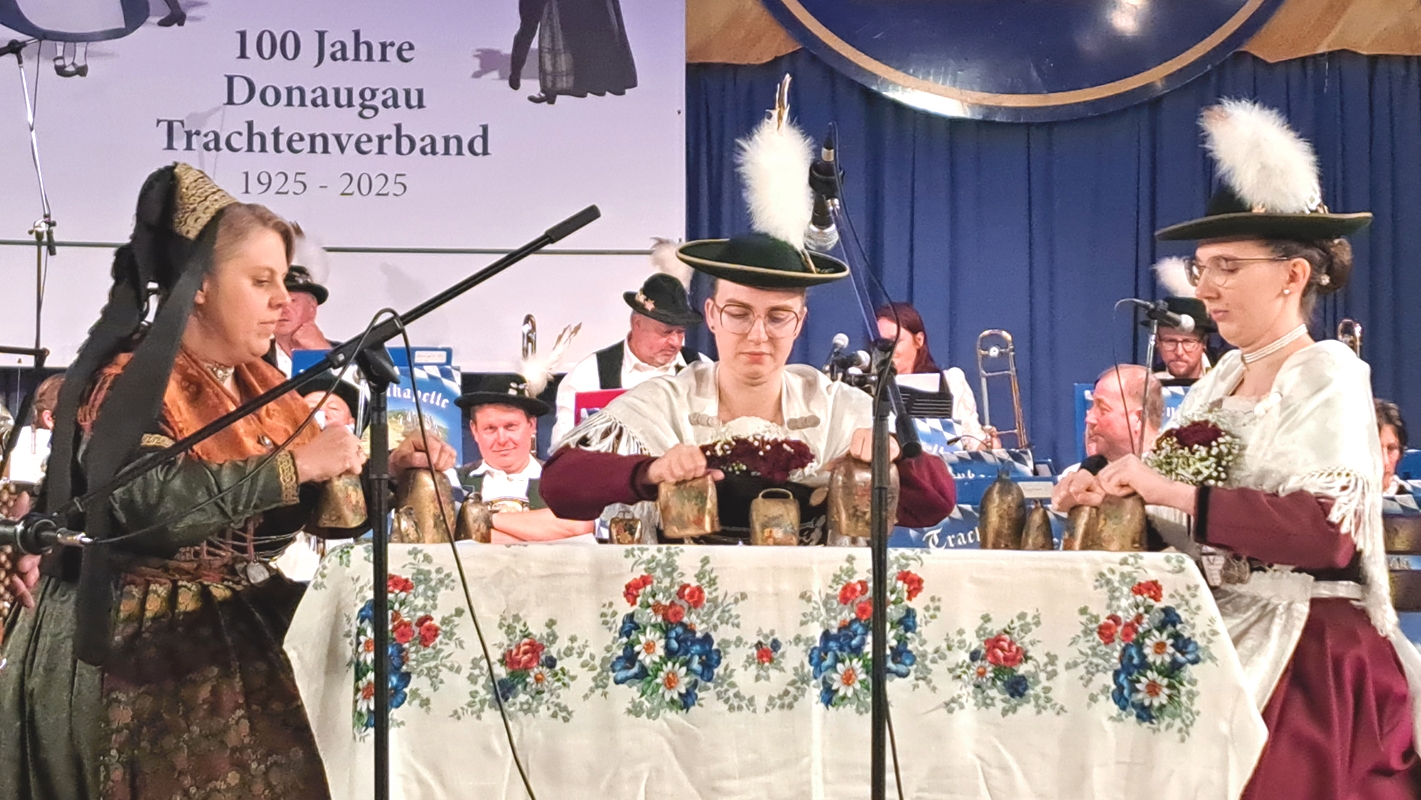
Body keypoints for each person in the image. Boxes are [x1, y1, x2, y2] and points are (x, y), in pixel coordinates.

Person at [1056, 100, 1421, 798]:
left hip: (1307, 655)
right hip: (1215, 631)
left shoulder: (1326, 371)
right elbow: (1179, 514)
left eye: (1226, 266)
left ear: (1293, 275)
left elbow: (1327, 533)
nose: (1205, 289)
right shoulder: (1221, 378)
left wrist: (1165, 490)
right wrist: (1107, 495)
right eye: (1201, 268)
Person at [0, 165, 380, 800]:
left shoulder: (261, 383)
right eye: (260, 281)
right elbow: (143, 503)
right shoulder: (135, 379)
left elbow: (327, 516)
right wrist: (297, 467)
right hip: (136, 640)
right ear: (200, 286)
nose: (283, 301)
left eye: (284, 280)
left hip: (225, 630)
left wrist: (389, 470)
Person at [540, 99, 954, 539]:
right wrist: (649, 470)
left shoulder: (836, 408)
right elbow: (559, 486)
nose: (758, 335)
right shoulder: (666, 402)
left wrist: (894, 457)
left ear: (800, 322)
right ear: (712, 315)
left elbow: (934, 504)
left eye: (778, 317)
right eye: (739, 314)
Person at [551, 268, 709, 444]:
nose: (675, 342)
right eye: (666, 332)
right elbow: (562, 449)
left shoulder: (703, 369)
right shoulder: (589, 375)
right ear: (637, 323)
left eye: (680, 332)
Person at [452, 375, 596, 543]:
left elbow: (579, 526)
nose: (502, 439)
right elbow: (445, 535)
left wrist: (483, 519)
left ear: (531, 425)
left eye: (510, 427)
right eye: (490, 428)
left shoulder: (563, 479)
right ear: (474, 430)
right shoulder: (453, 481)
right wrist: (539, 534)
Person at [874, 302, 990, 449]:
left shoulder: (951, 382)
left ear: (919, 340)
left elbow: (973, 443)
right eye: (881, 342)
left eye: (894, 341)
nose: (887, 350)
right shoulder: (866, 386)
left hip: (941, 463)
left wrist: (989, 447)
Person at [269, 225, 334, 376]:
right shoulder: (250, 361)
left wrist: (323, 352)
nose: (284, 309)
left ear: (312, 307)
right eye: (277, 301)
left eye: (293, 301)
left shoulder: (350, 356)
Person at [1377, 399, 1409, 496]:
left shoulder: (1415, 502)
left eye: (1391, 448)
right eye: (1375, 450)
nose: (1385, 462)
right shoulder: (1338, 501)